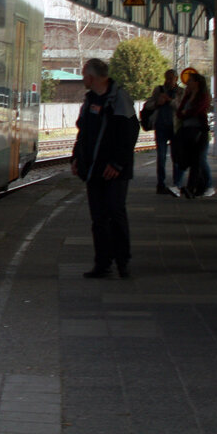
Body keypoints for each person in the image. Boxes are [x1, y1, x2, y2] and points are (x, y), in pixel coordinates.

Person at [71, 58, 139, 279]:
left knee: (116, 213)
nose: (83, 79)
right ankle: (102, 263)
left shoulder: (119, 99)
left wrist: (118, 163)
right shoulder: (89, 100)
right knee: (98, 218)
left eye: (84, 75)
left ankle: (122, 262)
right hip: (93, 170)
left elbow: (129, 134)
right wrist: (76, 158)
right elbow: (83, 134)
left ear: (91, 77)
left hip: (115, 171)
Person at [173, 73, 213, 197]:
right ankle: (198, 187)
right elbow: (179, 112)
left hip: (199, 132)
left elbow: (198, 110)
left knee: (199, 160)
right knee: (190, 160)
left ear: (197, 82)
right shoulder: (188, 95)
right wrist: (185, 112)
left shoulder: (203, 96)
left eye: (190, 80)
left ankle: (199, 186)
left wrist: (186, 112)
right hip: (186, 131)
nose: (187, 83)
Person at [145, 69, 182, 195]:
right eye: (167, 78)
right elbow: (147, 105)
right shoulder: (158, 90)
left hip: (175, 128)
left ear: (176, 79)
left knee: (176, 157)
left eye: (171, 78)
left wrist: (170, 101)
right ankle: (161, 184)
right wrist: (157, 102)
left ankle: (177, 184)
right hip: (161, 126)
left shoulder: (180, 92)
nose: (168, 81)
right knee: (161, 157)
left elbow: (182, 107)